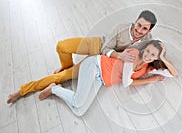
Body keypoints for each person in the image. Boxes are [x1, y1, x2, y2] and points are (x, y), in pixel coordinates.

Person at [6, 10, 157, 104]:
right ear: (135, 22)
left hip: (100, 61)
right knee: (61, 46)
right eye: (138, 25)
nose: (139, 30)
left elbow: (154, 54)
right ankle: (66, 64)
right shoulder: (121, 28)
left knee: (62, 77)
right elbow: (105, 49)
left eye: (144, 28)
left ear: (149, 30)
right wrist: (120, 55)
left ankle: (21, 91)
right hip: (98, 45)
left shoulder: (147, 39)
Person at [28, 40, 178, 116]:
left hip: (101, 79)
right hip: (95, 65)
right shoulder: (132, 54)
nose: (147, 55)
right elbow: (127, 83)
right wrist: (150, 80)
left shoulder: (149, 66)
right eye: (148, 51)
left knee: (79, 111)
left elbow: (173, 74)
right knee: (78, 101)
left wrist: (163, 58)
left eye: (153, 55)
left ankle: (57, 89)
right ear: (144, 48)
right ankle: (53, 88)